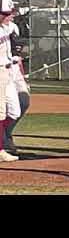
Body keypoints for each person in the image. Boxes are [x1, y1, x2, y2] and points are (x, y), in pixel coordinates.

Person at [2, 11, 30, 153]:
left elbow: (17, 53)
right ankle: (4, 139)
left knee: (24, 102)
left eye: (13, 13)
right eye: (9, 13)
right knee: (4, 109)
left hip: (14, 69)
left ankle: (6, 134)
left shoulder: (14, 27)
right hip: (4, 69)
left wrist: (22, 74)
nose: (12, 15)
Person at [0, 0, 20, 162]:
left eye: (10, 13)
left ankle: (2, 140)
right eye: (6, 14)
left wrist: (13, 57)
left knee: (14, 112)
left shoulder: (8, 27)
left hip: (8, 73)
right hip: (0, 71)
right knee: (0, 113)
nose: (9, 16)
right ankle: (0, 149)